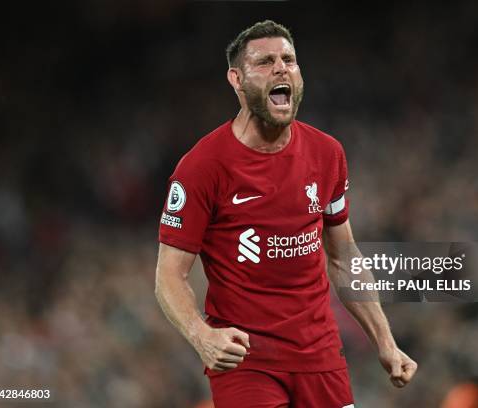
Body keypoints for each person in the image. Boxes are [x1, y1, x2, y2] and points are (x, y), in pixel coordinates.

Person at [155, 20, 417, 407]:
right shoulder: (202, 167)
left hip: (321, 357)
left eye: (289, 60)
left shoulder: (327, 154)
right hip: (247, 362)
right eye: (264, 62)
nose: (281, 68)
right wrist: (201, 335)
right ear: (236, 79)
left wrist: (385, 342)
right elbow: (168, 276)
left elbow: (344, 256)